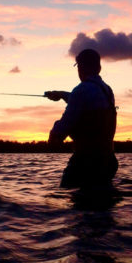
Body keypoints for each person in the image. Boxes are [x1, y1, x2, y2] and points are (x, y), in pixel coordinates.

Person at [45, 48, 118, 188]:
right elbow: (88, 103)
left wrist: (53, 137)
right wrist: (61, 94)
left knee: (68, 197)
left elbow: (64, 126)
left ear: (80, 67)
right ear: (99, 67)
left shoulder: (81, 91)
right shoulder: (107, 90)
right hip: (108, 161)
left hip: (86, 162)